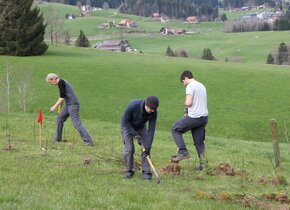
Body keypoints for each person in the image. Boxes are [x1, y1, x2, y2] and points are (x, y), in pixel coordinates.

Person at [171, 70, 208, 170]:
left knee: (175, 129)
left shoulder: (190, 86)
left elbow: (189, 103)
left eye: (183, 81)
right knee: (199, 142)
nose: (184, 84)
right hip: (203, 118)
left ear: (186, 78)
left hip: (194, 117)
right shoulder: (202, 86)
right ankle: (204, 165)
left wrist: (186, 105)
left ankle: (183, 152)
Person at [46, 73, 94, 146]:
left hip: (73, 105)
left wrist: (54, 106)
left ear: (54, 79)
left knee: (76, 124)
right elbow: (64, 95)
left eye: (50, 82)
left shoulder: (61, 82)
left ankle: (89, 141)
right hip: (68, 105)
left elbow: (62, 97)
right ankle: (57, 138)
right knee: (59, 119)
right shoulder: (61, 82)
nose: (51, 84)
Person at [121, 96, 159, 180]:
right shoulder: (133, 105)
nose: (152, 111)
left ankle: (146, 173)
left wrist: (148, 146)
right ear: (146, 104)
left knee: (146, 149)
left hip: (141, 127)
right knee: (129, 149)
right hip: (127, 126)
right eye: (151, 109)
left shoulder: (153, 112)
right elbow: (124, 121)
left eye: (154, 109)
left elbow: (151, 129)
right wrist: (135, 135)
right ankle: (129, 171)